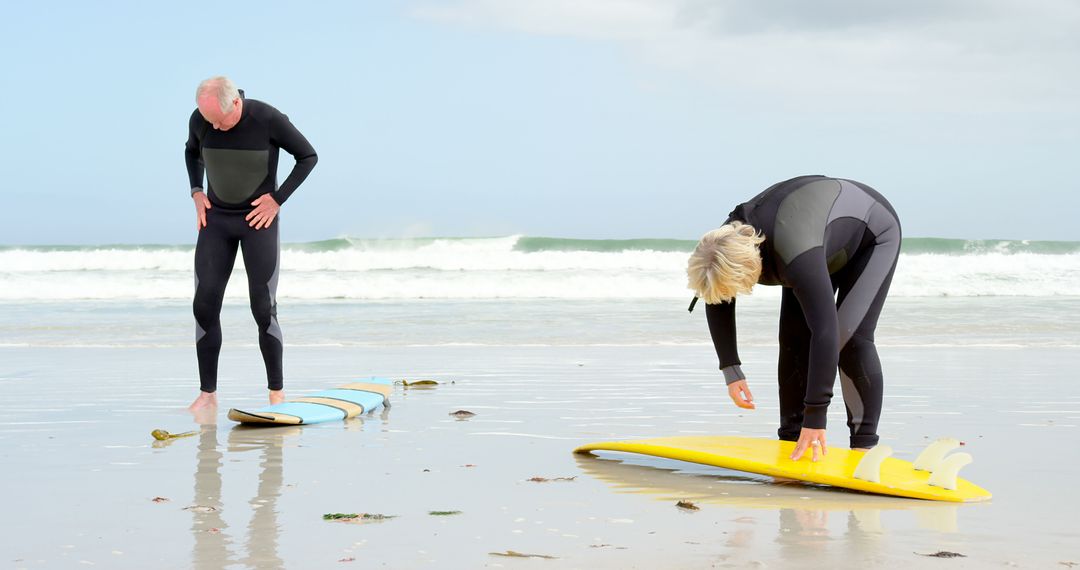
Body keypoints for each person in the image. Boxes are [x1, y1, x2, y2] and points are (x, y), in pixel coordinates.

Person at [686, 175, 901, 461]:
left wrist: (816, 418)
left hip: (870, 234)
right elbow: (718, 297)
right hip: (816, 235)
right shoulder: (721, 243)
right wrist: (731, 369)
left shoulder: (794, 255)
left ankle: (863, 448)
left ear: (754, 268)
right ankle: (792, 442)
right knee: (794, 337)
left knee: (848, 338)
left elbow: (826, 333)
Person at [183, 76, 318, 412]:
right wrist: (196, 191)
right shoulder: (202, 118)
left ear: (236, 104)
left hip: (258, 221)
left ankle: (276, 393)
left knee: (262, 308)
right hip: (216, 221)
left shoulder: (267, 119)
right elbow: (190, 152)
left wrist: (277, 199)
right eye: (208, 119)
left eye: (219, 119)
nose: (213, 125)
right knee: (204, 305)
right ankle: (208, 394)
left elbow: (307, 156)